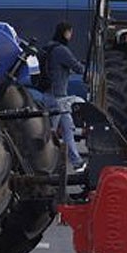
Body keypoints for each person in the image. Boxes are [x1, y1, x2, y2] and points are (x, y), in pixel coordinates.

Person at [41, 21, 87, 172]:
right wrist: (87, 70)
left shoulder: (49, 47)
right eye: (70, 32)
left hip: (50, 94)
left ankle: (76, 162)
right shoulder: (61, 50)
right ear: (65, 33)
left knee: (68, 129)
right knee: (50, 133)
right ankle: (45, 164)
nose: (71, 36)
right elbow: (78, 67)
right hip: (58, 98)